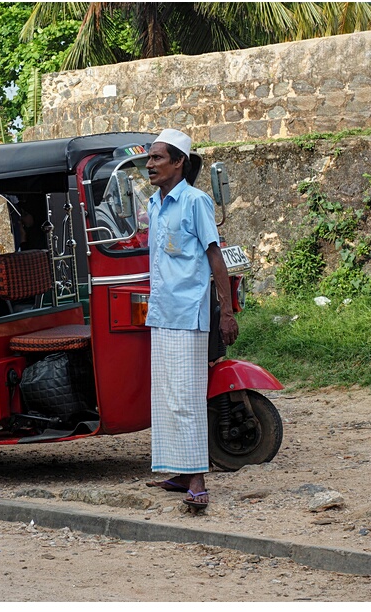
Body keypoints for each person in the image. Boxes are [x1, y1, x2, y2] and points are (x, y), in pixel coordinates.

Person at [143, 128, 238, 512]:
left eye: (157, 158)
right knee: (164, 396)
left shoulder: (196, 202)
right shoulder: (153, 204)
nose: (149, 165)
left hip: (189, 314)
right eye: (149, 158)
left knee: (186, 396)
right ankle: (179, 471)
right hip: (162, 312)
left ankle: (197, 479)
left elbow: (215, 257)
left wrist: (226, 311)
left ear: (179, 162)